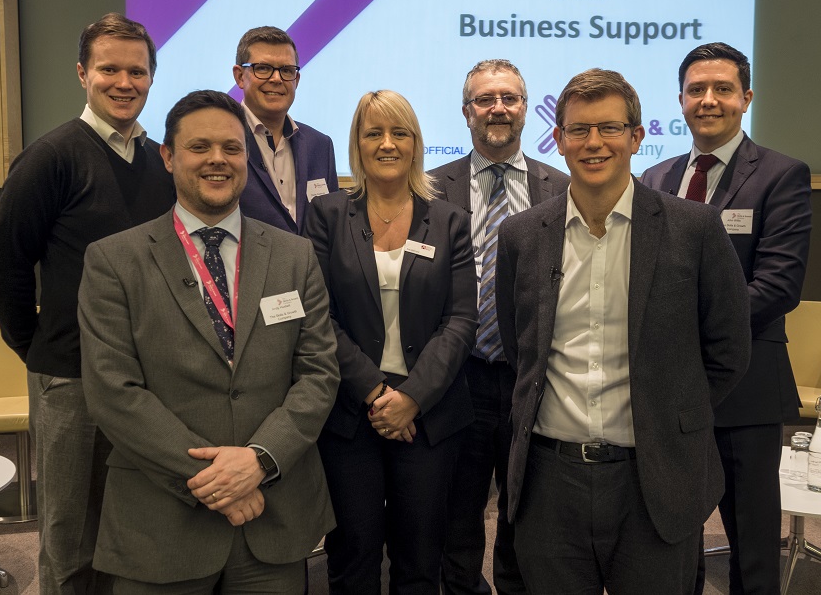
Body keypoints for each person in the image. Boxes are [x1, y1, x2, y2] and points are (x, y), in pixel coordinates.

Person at [495, 69, 752, 594]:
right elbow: (517, 344)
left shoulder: (695, 229)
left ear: (637, 137)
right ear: (559, 139)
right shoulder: (521, 236)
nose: (594, 143)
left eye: (610, 128)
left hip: (654, 479)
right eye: (579, 130)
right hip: (549, 483)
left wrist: (674, 415)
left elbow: (729, 348)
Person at [78, 90, 340, 593]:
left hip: (274, 519)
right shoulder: (114, 261)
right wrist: (218, 480)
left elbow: (318, 373)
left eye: (232, 148)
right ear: (170, 157)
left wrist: (260, 459)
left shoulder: (295, 255)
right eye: (199, 147)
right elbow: (114, 391)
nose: (217, 160)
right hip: (160, 524)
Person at [0, 12, 175, 594]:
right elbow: (8, 268)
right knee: (69, 540)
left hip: (147, 381)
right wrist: (42, 351)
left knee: (132, 527)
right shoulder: (50, 157)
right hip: (70, 378)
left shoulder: (158, 161)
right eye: (109, 69)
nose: (125, 82)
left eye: (137, 71)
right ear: (81, 74)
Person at [641, 42, 812, 595]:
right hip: (669, 392)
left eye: (722, 89)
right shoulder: (654, 179)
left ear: (746, 98)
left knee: (753, 541)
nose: (708, 100)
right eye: (696, 90)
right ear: (682, 100)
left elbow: (778, 286)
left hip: (745, 387)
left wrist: (691, 336)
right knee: (672, 535)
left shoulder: (782, 176)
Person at [304, 90, 477, 594]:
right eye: (373, 132)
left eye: (399, 133)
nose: (387, 144)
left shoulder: (449, 221)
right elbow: (319, 317)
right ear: (357, 143)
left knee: (421, 555)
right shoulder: (328, 215)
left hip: (429, 412)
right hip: (350, 410)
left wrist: (412, 399)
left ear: (416, 143)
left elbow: (461, 320)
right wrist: (378, 395)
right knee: (352, 553)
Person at [431, 59, 568, 595]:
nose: (498, 109)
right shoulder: (433, 187)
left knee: (524, 506)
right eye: (485, 99)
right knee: (458, 506)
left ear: (524, 109)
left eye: (509, 98)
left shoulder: (559, 186)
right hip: (457, 373)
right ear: (467, 111)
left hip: (531, 376)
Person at [232, 26, 338, 233]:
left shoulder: (320, 146)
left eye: (287, 70)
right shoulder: (222, 142)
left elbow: (332, 227)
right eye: (263, 68)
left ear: (296, 80)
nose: (276, 79)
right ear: (239, 76)